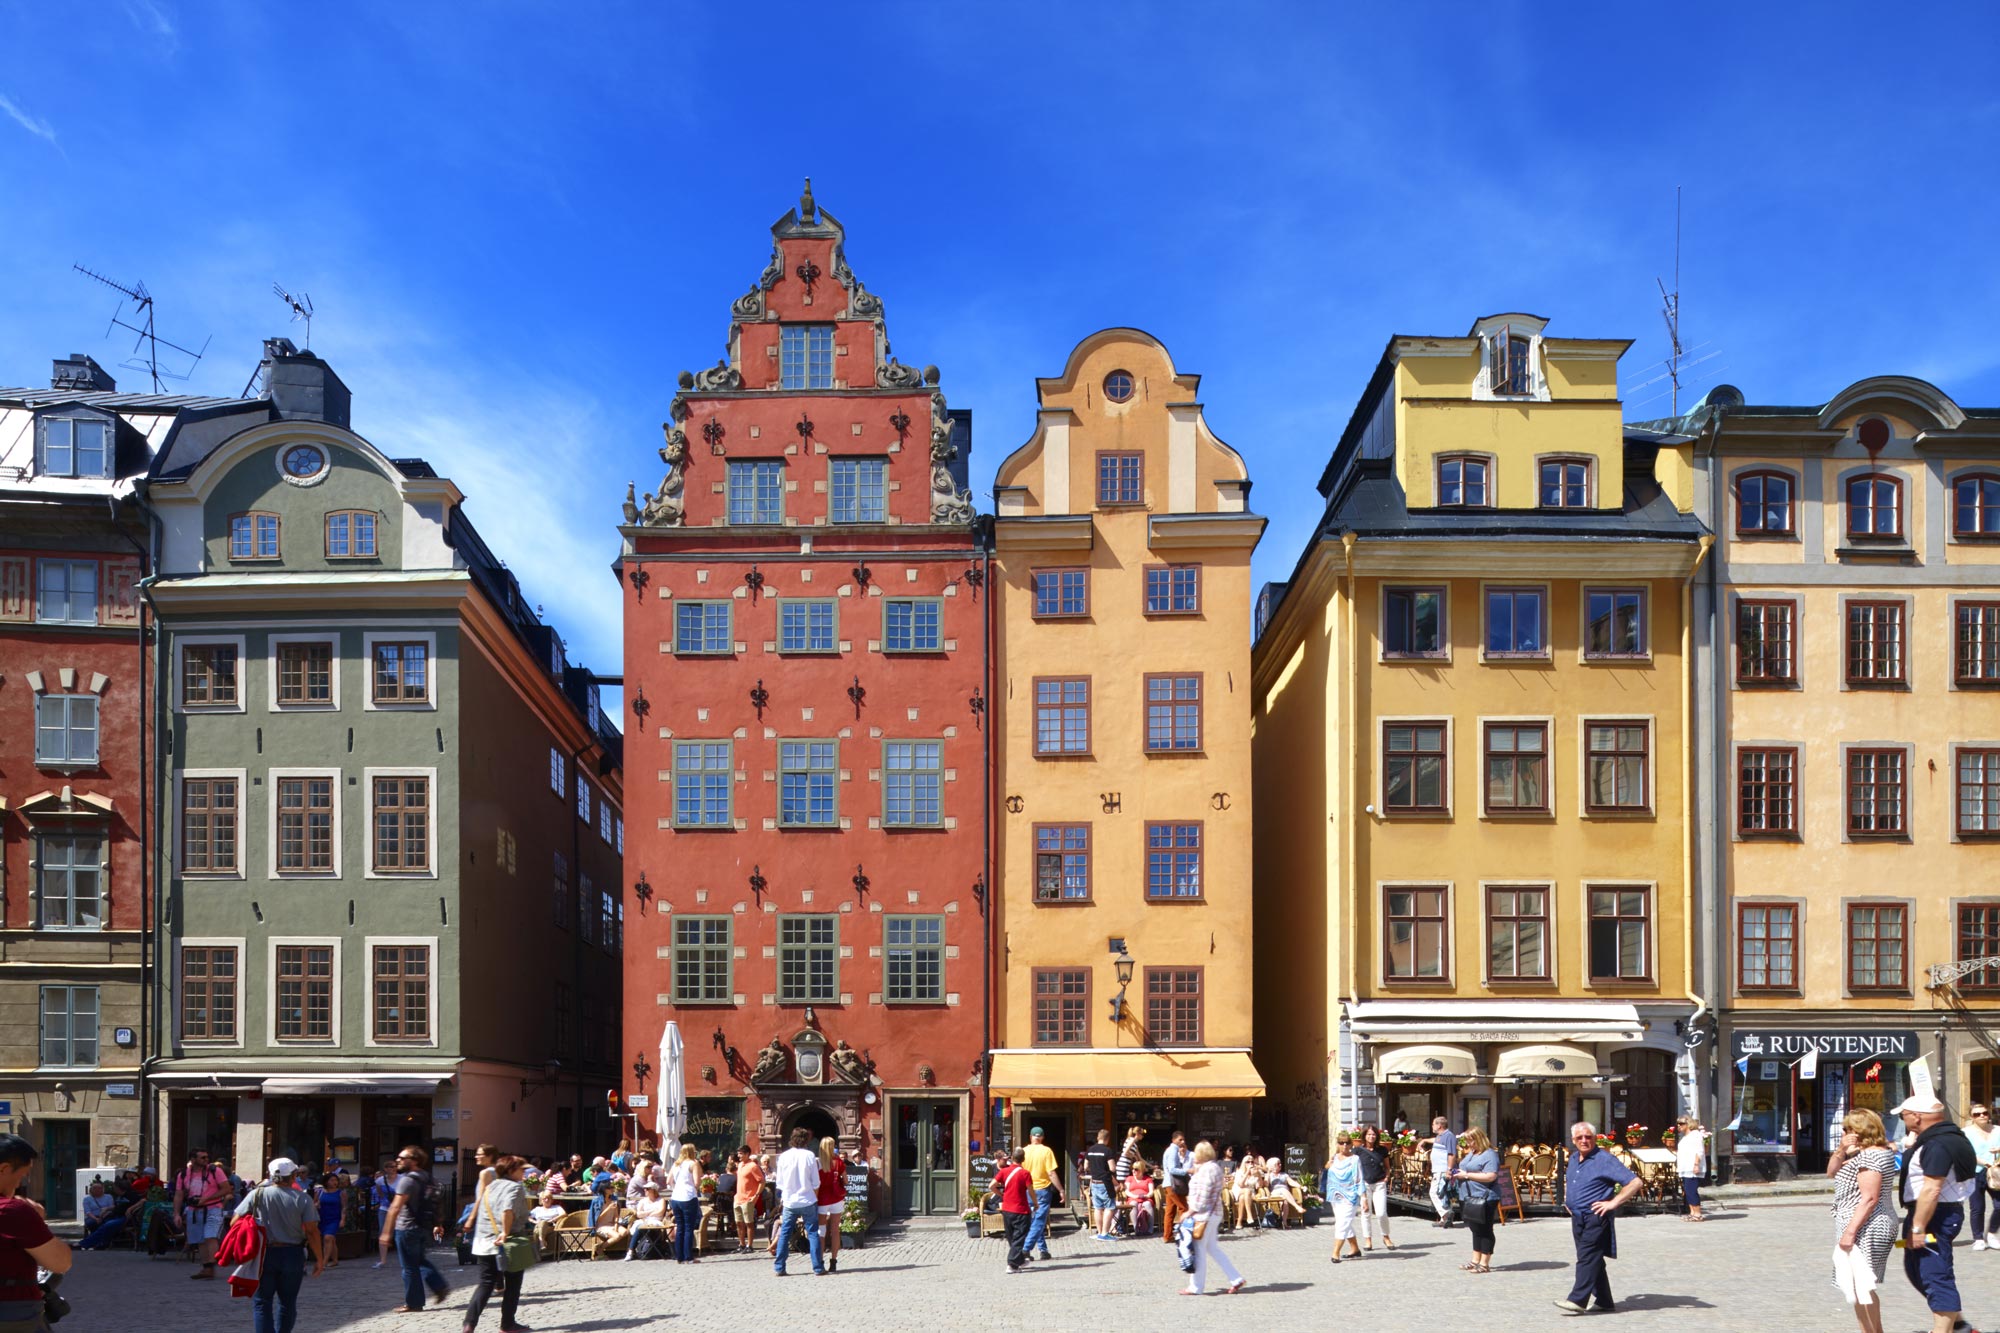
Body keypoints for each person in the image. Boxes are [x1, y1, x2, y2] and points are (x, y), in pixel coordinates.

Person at [1893, 1093, 1979, 1333]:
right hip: (1935, 1213)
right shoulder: (1949, 1136)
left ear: (1917, 1117)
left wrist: (1918, 1227)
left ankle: (1945, 1329)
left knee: (1934, 1274)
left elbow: (1931, 1189)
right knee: (1915, 1269)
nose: (1903, 1120)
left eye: (1903, 1116)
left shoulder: (1937, 1143)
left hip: (1934, 1216)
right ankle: (1959, 1324)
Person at [1553, 1121, 1643, 1316]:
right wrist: (1570, 1200)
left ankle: (1577, 1300)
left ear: (1595, 1138)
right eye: (1579, 1137)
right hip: (1577, 1216)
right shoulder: (1575, 1157)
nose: (1584, 1140)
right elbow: (1573, 1181)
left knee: (1586, 1256)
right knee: (1593, 1258)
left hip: (1596, 1216)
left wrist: (1613, 1203)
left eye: (1588, 1137)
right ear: (1573, 1140)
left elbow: (1635, 1182)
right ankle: (1604, 1301)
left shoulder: (1604, 1159)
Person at [1828, 1109, 1900, 1333]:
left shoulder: (1872, 1155)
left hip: (1867, 1226)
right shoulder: (1863, 1153)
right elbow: (1831, 1172)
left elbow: (1869, 1198)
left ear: (1861, 1130)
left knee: (1861, 1285)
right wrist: (1841, 1149)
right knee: (1859, 1285)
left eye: (1849, 1129)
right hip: (1861, 1223)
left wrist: (1850, 1232)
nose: (1846, 1133)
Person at [234, 1158, 325, 1333]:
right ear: (293, 1176)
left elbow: (235, 1221)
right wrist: (320, 1259)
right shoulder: (303, 1199)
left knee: (262, 1302)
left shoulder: (257, 1194)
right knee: (287, 1302)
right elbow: (312, 1231)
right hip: (292, 1253)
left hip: (264, 1253)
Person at [0, 1135, 72, 1330]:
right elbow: (60, 1262)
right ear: (4, 1169)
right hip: (13, 1310)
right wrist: (38, 1220)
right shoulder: (11, 1211)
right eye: (22, 1175)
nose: (21, 1183)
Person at [379, 1145, 449, 1313]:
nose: (398, 1161)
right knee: (418, 1260)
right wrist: (437, 1223)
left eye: (403, 1158)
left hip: (406, 1227)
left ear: (414, 1161)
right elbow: (436, 1202)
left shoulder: (407, 1180)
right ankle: (438, 1285)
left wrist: (386, 1233)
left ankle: (414, 1303)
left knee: (409, 1267)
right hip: (422, 1227)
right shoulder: (428, 1178)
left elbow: (395, 1207)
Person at [465, 1154, 529, 1333]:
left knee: (485, 1284)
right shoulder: (515, 1188)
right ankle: (507, 1323)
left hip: (484, 1241)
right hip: (506, 1241)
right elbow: (507, 1210)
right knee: (513, 1283)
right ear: (511, 1170)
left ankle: (469, 1324)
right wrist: (505, 1232)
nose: (524, 1172)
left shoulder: (490, 1186)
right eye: (521, 1169)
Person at [1180, 1141, 1246, 1296]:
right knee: (1212, 1248)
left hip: (1204, 1215)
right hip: (1214, 1213)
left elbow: (1203, 1194)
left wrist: (1190, 1211)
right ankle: (1235, 1278)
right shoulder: (1214, 1167)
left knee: (1199, 1250)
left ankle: (1196, 1287)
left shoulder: (1207, 1170)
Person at [175, 1147, 235, 1280]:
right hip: (194, 1210)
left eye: (207, 1157)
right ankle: (207, 1268)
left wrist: (207, 1199)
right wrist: (176, 1214)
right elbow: (179, 1195)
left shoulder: (215, 1171)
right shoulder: (184, 1174)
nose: (206, 1160)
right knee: (200, 1240)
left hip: (213, 1208)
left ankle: (211, 1267)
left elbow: (226, 1189)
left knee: (210, 1236)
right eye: (202, 1157)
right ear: (193, 1159)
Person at [772, 1128, 823, 1277]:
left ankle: (779, 1267)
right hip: (807, 1200)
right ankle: (817, 1267)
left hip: (790, 1201)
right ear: (806, 1140)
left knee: (785, 1233)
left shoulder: (783, 1156)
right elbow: (816, 1182)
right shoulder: (809, 1156)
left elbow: (779, 1182)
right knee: (813, 1233)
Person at [1450, 1127, 1501, 1274]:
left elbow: (1491, 1176)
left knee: (1485, 1229)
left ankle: (1484, 1263)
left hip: (1484, 1197)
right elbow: (1465, 1168)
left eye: (1470, 1140)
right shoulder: (1472, 1153)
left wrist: (1466, 1175)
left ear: (1478, 1139)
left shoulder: (1490, 1154)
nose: (1468, 1144)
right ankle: (1475, 1260)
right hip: (1468, 1195)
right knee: (1474, 1228)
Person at [1020, 1126, 1063, 1263]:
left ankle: (1043, 1250)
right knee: (1039, 1221)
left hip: (1027, 1190)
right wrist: (1061, 1190)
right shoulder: (1046, 1151)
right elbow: (1051, 1173)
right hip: (1042, 1190)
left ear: (1031, 1137)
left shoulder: (1024, 1151)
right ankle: (1025, 1249)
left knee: (1034, 1221)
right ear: (1042, 1137)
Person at [1323, 1134, 1363, 1261]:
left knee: (1342, 1224)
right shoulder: (1334, 1157)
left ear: (1351, 1144)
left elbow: (1359, 1178)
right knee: (1345, 1223)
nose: (1344, 1145)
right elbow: (1326, 1170)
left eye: (1347, 1143)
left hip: (1350, 1196)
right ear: (1338, 1144)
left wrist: (1364, 1197)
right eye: (1341, 1143)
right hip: (1335, 1196)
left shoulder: (1355, 1159)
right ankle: (1355, 1249)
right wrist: (1328, 1165)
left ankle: (1335, 1253)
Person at [1354, 1126, 1394, 1251]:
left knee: (1381, 1213)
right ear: (1364, 1136)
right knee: (1366, 1213)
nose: (1371, 1137)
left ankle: (1386, 1236)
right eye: (1369, 1134)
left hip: (1379, 1184)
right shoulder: (1358, 1151)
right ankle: (1368, 1239)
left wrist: (1387, 1177)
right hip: (1364, 1185)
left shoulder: (1382, 1150)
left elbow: (1387, 1166)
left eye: (1374, 1134)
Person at [1965, 1103, 1999, 1249]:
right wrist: (1984, 1163)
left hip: (1996, 1172)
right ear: (1971, 1117)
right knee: (1977, 1207)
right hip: (1976, 1171)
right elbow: (1967, 1153)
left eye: (1984, 1113)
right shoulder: (1965, 1132)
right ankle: (1978, 1238)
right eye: (1977, 1114)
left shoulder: (1998, 1130)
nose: (1982, 1116)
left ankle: (1991, 1234)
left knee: (1999, 1205)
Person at [996, 1148, 1032, 1272]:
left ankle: (1020, 1260)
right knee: (1020, 1236)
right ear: (1023, 1159)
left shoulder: (1004, 1171)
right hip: (1021, 1209)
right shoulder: (1025, 1173)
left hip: (1006, 1209)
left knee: (1012, 1236)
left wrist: (1001, 1195)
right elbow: (1031, 1191)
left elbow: (991, 1185)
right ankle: (1012, 1264)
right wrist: (1036, 1203)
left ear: (1012, 1158)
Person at [667, 1144, 703, 1264]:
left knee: (680, 1227)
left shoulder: (676, 1164)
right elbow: (697, 1182)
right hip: (688, 1196)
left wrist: (675, 1188)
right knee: (689, 1228)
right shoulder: (693, 1163)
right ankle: (688, 1257)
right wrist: (694, 1189)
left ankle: (679, 1256)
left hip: (675, 1197)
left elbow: (669, 1181)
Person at [814, 1140, 845, 1274]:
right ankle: (833, 1261)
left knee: (821, 1231)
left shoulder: (818, 1163)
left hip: (822, 1199)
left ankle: (820, 1261)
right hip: (837, 1198)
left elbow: (816, 1183)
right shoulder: (839, 1162)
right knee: (835, 1230)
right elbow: (846, 1180)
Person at [1421, 1117, 1458, 1228]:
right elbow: (1435, 1140)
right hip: (1438, 1170)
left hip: (1443, 1170)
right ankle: (1445, 1219)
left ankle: (1446, 1213)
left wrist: (1449, 1170)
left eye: (1433, 1124)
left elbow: (1452, 1154)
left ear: (1439, 1126)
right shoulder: (1440, 1136)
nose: (1432, 1126)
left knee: (1434, 1192)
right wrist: (1425, 1140)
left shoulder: (1449, 1136)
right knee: (1444, 1194)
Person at [1159, 1131, 1192, 1243]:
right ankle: (1185, 1234)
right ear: (1174, 1140)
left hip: (1168, 1184)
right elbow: (1172, 1169)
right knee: (1184, 1208)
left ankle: (1167, 1236)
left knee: (1170, 1211)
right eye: (1180, 1140)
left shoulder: (1170, 1150)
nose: (1182, 1142)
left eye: (1183, 1140)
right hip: (1173, 1185)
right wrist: (1187, 1171)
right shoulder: (1173, 1150)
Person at [1675, 1116, 1710, 1223]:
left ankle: (1698, 1214)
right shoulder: (1686, 1137)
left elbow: (1699, 1151)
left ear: (1688, 1124)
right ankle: (1692, 1213)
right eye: (1678, 1124)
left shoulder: (1695, 1135)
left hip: (1692, 1167)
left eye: (1681, 1124)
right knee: (1687, 1191)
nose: (1678, 1126)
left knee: (1691, 1190)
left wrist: (1696, 1165)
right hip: (1685, 1167)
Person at [1084, 1130, 1116, 1240]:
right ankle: (1104, 1233)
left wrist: (1094, 1170)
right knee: (1109, 1207)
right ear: (1107, 1139)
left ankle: (1099, 1232)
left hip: (1094, 1182)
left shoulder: (1090, 1150)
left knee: (1097, 1208)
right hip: (1105, 1183)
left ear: (1098, 1137)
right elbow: (1112, 1168)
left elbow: (1085, 1166)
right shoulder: (1107, 1151)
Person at [78, 1181, 127, 1250]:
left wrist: (102, 1216)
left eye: (99, 1188)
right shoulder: (87, 1199)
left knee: (106, 1223)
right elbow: (88, 1212)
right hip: (93, 1216)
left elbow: (112, 1207)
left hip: (106, 1215)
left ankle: (100, 1243)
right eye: (95, 1188)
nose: (97, 1190)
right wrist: (96, 1219)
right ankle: (95, 1242)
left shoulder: (108, 1197)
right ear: (91, 1190)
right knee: (92, 1223)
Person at [626, 1180, 667, 1262]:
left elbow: (660, 1212)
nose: (645, 1190)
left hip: (656, 1221)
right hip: (644, 1221)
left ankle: (632, 1250)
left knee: (642, 1228)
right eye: (644, 1189)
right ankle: (631, 1251)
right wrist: (650, 1212)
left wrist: (646, 1213)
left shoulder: (661, 1200)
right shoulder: (643, 1201)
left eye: (647, 1189)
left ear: (653, 1190)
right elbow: (638, 1214)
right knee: (639, 1227)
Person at [734, 1149, 765, 1254]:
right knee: (738, 1223)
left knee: (749, 1223)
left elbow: (761, 1181)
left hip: (748, 1199)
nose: (739, 1155)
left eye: (741, 1153)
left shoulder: (753, 1166)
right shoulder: (740, 1165)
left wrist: (756, 1195)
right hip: (738, 1198)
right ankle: (741, 1244)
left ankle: (750, 1245)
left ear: (747, 1154)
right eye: (738, 1153)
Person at [528, 1191, 566, 1260]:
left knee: (538, 1229)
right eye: (544, 1198)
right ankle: (542, 1242)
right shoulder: (537, 1209)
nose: (547, 1200)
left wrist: (553, 1219)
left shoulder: (556, 1207)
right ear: (541, 1200)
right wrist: (535, 1221)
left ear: (551, 1199)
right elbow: (528, 1217)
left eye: (548, 1198)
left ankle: (540, 1247)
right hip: (538, 1225)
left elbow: (564, 1214)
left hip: (551, 1226)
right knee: (540, 1225)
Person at [1126, 1164, 1157, 1237]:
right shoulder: (1129, 1178)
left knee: (1147, 1204)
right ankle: (1136, 1228)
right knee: (1133, 1204)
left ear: (1141, 1170)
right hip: (1133, 1197)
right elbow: (1126, 1191)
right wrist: (1134, 1196)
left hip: (1145, 1198)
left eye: (1136, 1169)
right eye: (1132, 1169)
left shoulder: (1148, 1179)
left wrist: (1147, 1196)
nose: (1133, 1171)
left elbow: (1151, 1191)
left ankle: (1150, 1229)